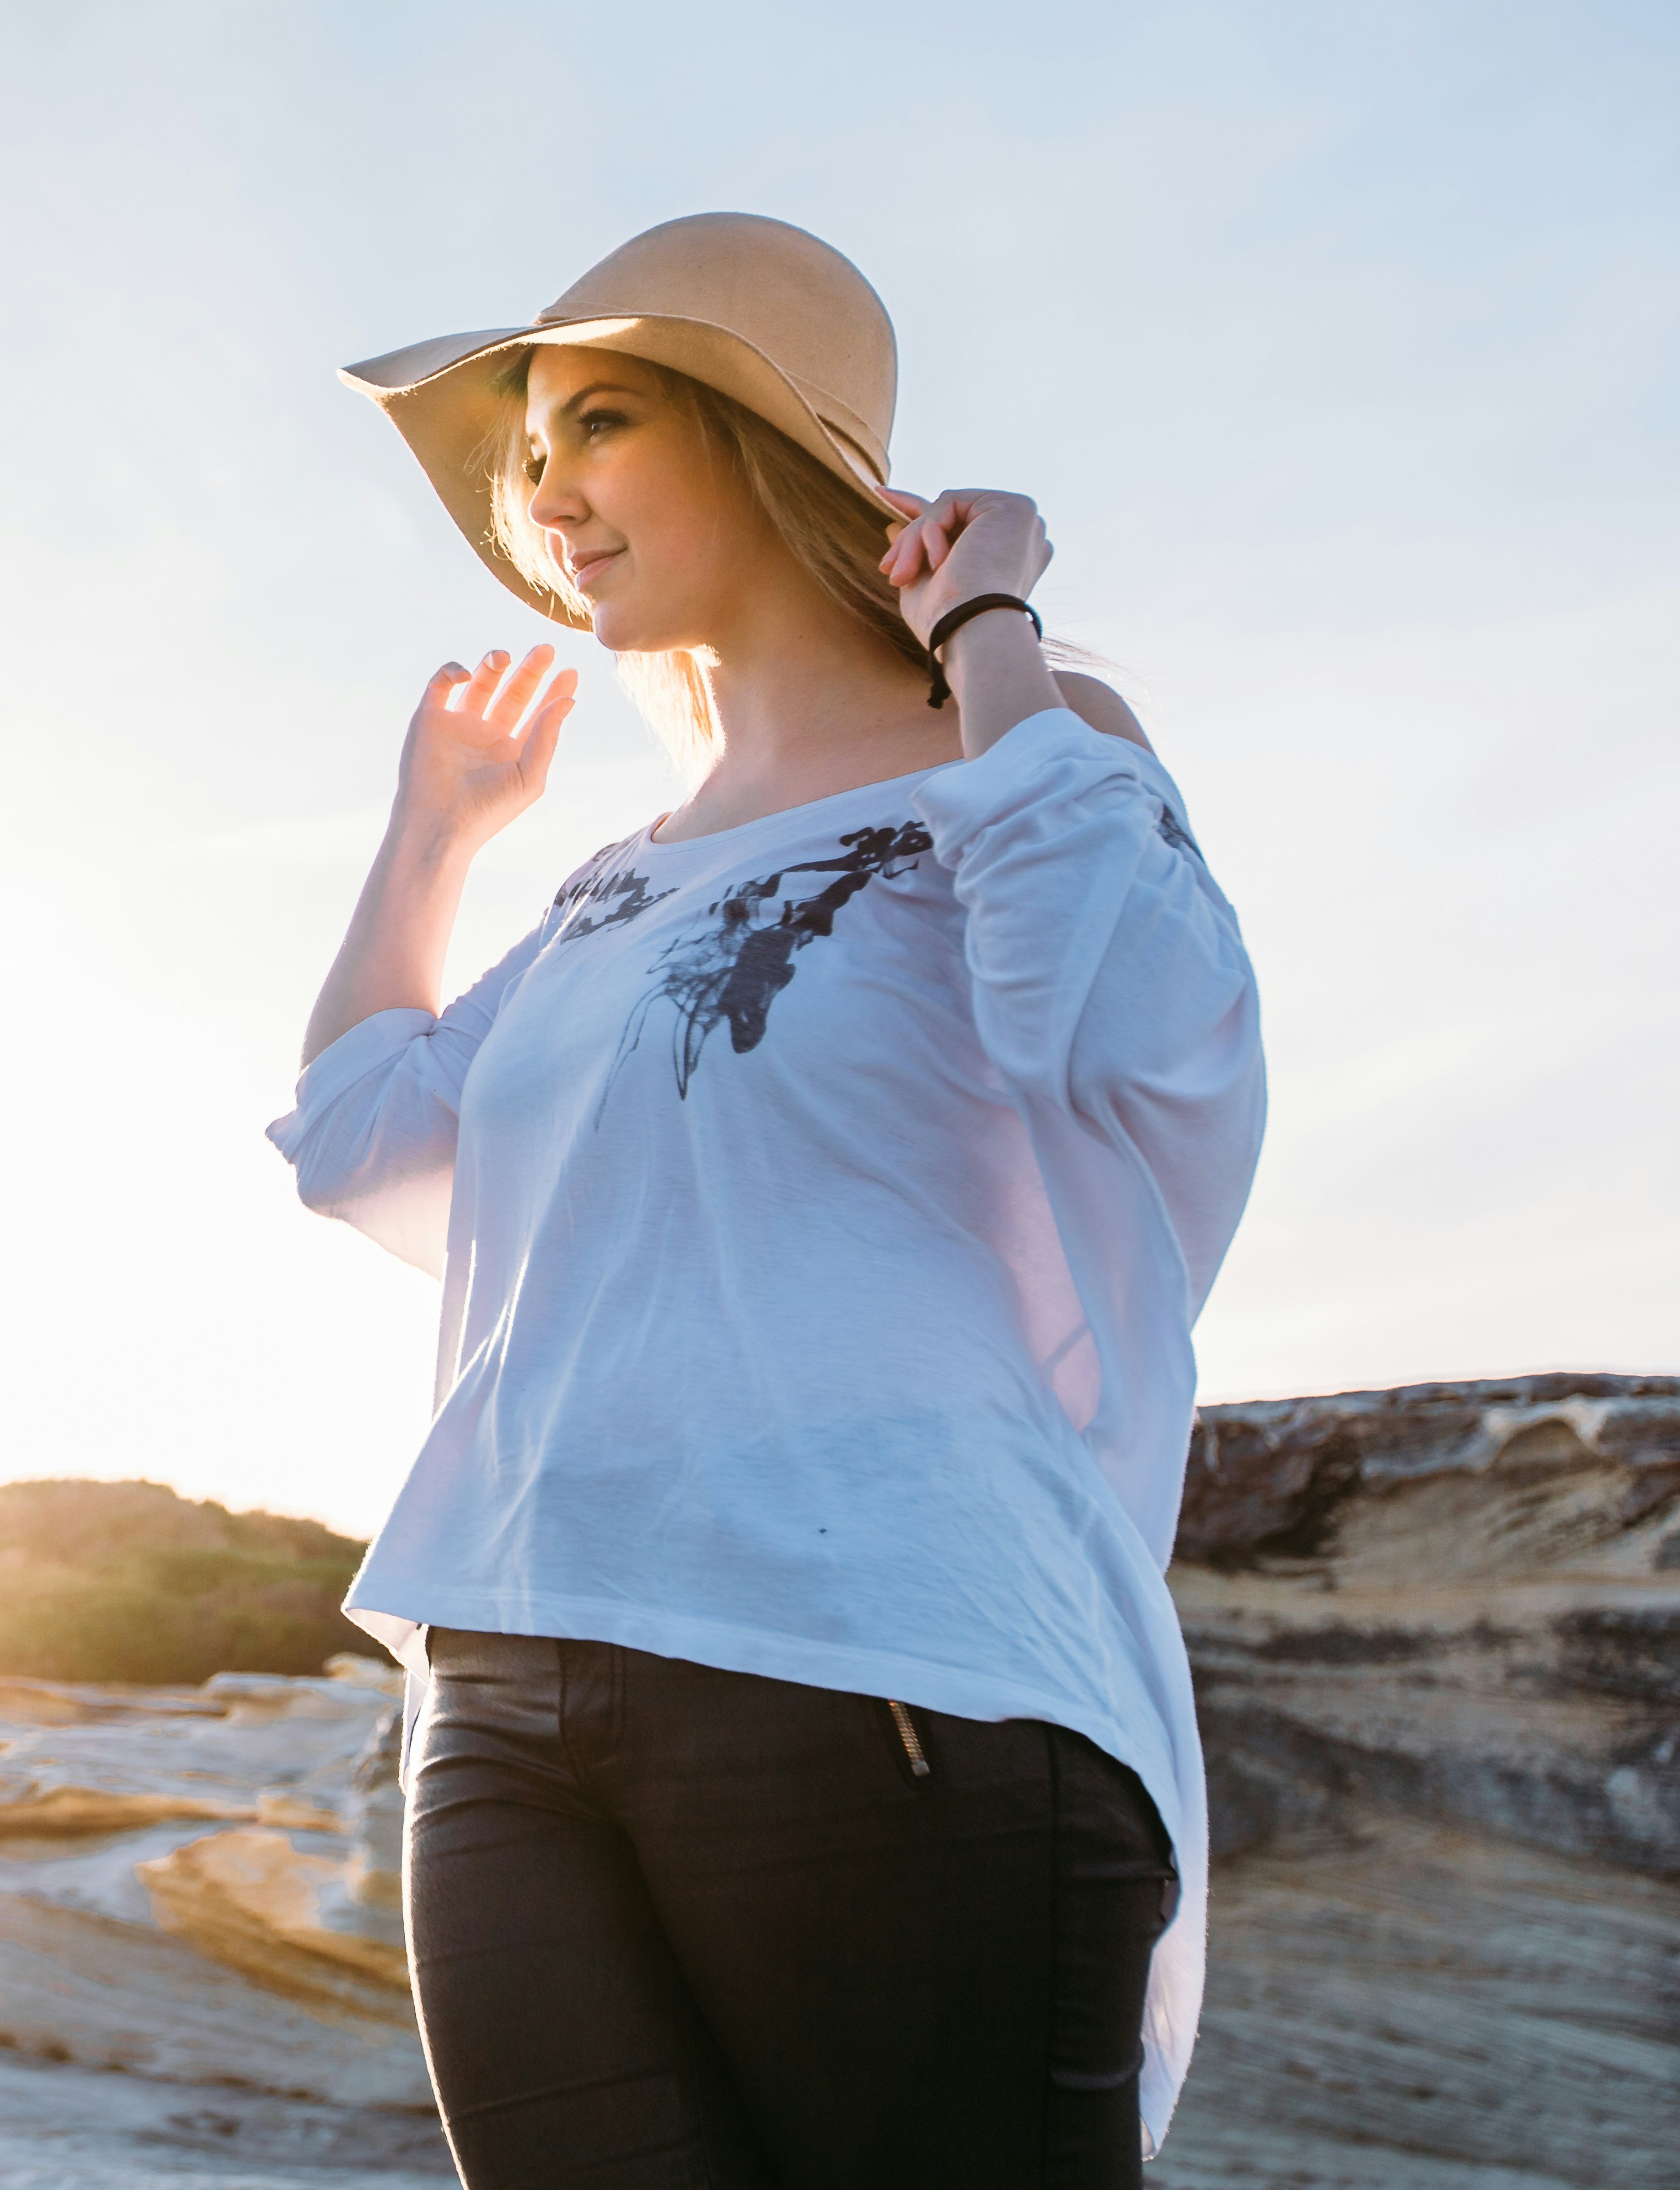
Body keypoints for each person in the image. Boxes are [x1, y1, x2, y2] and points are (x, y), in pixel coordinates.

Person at [267, 213, 1265, 2188]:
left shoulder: (1009, 755)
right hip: (506, 1670)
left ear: (765, 445)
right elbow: (362, 1138)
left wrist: (992, 635)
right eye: (525, 454)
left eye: (601, 421)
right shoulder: (617, 881)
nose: (545, 492)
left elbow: (1131, 1027)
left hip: (895, 1659)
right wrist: (432, 837)